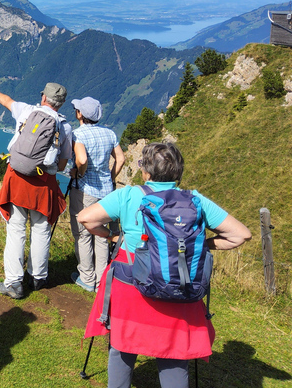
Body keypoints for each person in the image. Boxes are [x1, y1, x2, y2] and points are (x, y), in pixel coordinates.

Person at [78, 142, 251, 388]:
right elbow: (241, 235)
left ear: (146, 172)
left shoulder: (128, 195)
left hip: (132, 284)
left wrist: (112, 236)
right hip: (179, 285)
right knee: (174, 352)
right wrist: (199, 245)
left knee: (122, 346)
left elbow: (86, 218)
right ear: (178, 172)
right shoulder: (195, 201)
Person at [0, 83, 73, 299]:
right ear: (61, 104)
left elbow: (7, 101)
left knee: (16, 230)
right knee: (41, 229)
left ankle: (14, 282)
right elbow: (62, 164)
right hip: (44, 183)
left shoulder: (26, 111)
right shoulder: (65, 127)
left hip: (17, 179)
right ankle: (38, 277)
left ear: (43, 97)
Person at [68, 96, 125, 292]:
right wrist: (111, 177)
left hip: (85, 191)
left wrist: (79, 173)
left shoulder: (78, 135)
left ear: (80, 114)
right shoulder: (109, 133)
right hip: (107, 192)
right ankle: (102, 280)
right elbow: (121, 158)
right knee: (102, 234)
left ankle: (87, 278)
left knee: (83, 233)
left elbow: (82, 159)